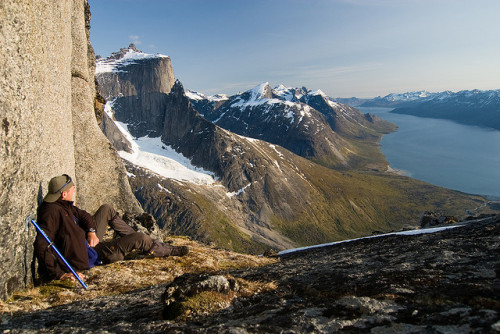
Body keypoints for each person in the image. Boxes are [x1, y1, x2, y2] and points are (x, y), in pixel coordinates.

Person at [34, 174, 188, 282]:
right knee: (141, 238)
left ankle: (133, 238)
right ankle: (169, 250)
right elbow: (42, 245)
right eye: (72, 188)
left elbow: (85, 216)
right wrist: (60, 274)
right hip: (96, 255)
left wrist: (91, 232)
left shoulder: (64, 206)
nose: (74, 190)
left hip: (90, 243)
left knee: (106, 209)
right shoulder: (52, 213)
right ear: (64, 194)